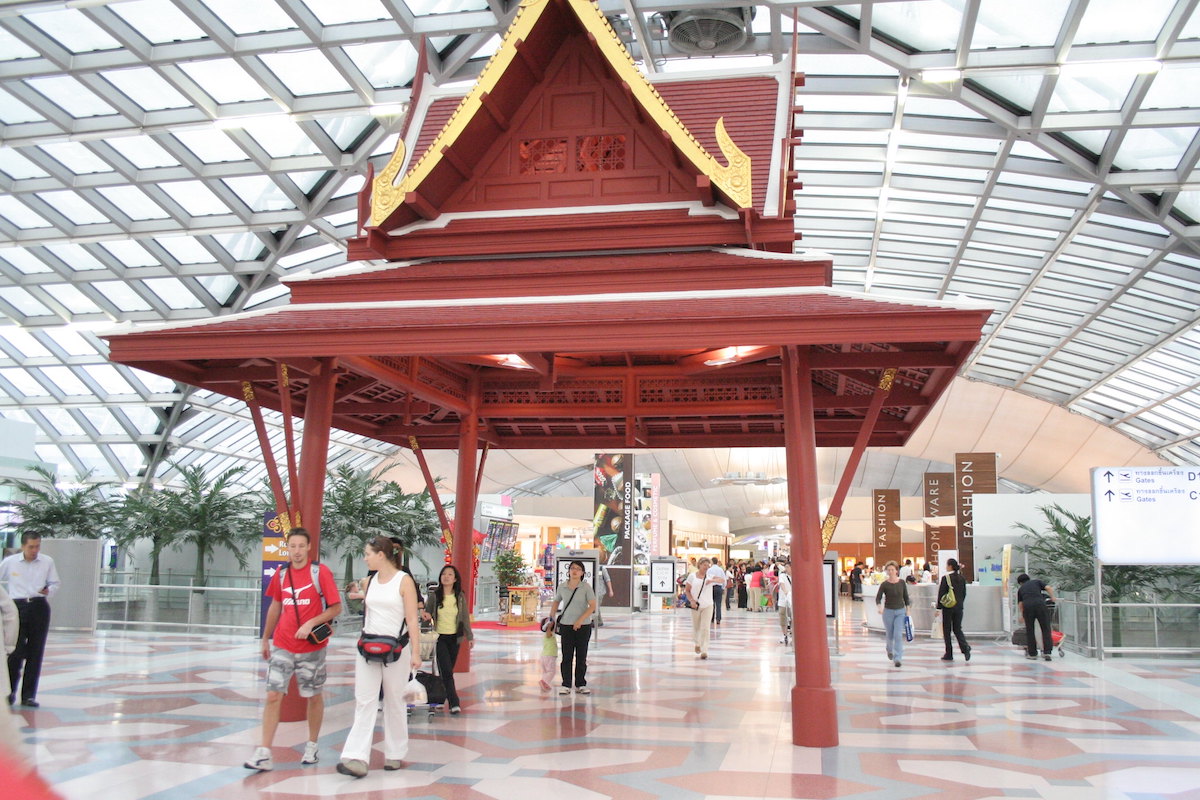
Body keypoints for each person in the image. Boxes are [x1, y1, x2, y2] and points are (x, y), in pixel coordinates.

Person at [245, 528, 341, 772]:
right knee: (273, 694)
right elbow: (275, 605)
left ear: (309, 548)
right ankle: (264, 751)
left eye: (301, 546)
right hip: (283, 644)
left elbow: (335, 608)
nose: (297, 551)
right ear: (287, 548)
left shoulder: (320, 573)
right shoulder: (281, 574)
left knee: (313, 695)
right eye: (292, 546)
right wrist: (265, 637)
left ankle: (312, 744)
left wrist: (311, 622)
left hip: (311, 646)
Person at [338, 536, 422, 777]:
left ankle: (395, 753)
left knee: (394, 701)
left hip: (396, 648)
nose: (365, 558)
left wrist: (416, 652)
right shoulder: (370, 580)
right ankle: (355, 756)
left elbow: (412, 619)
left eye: (368, 554)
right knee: (365, 700)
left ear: (381, 555)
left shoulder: (404, 581)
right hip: (368, 645)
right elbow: (362, 601)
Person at [0, 533, 60, 708]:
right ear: (23, 546)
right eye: (31, 547)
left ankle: (28, 695)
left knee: (35, 652)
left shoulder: (47, 562)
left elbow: (56, 583)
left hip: (38, 606)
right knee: (15, 653)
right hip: (17, 606)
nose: (34, 550)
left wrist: (49, 590)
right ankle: (9, 692)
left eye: (37, 546)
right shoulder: (10, 562)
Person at [423, 564, 473, 714]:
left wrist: (469, 636)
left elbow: (464, 617)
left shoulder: (459, 597)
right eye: (444, 574)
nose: (446, 577)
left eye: (450, 574)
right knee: (446, 671)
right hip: (440, 638)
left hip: (455, 638)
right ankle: (454, 703)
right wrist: (425, 616)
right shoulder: (435, 596)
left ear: (455, 579)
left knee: (448, 671)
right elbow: (427, 614)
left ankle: (440, 697)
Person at [549, 560, 597, 695]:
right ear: (568, 571)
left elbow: (592, 606)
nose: (574, 571)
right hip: (566, 625)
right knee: (567, 656)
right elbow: (556, 601)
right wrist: (551, 617)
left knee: (581, 656)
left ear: (582, 573)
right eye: (572, 568)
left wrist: (580, 620)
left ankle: (581, 683)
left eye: (578, 569)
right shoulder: (562, 587)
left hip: (584, 626)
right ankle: (566, 684)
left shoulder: (586, 587)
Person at [875, 561, 910, 668]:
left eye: (892, 570)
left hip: (900, 611)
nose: (890, 572)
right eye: (889, 570)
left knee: (898, 635)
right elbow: (878, 598)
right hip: (888, 612)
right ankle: (889, 649)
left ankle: (898, 658)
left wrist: (908, 610)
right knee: (890, 634)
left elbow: (906, 597)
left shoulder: (902, 583)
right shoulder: (884, 584)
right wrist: (880, 608)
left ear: (896, 571)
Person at [1016, 573, 1058, 662]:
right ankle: (1047, 652)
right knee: (1045, 628)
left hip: (1028, 607)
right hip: (1040, 605)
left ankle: (1032, 654)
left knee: (1030, 630)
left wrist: (1022, 615)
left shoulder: (1021, 589)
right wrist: (1052, 597)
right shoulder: (1037, 582)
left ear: (1020, 583)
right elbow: (1048, 588)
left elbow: (1020, 604)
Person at [936, 557, 970, 662]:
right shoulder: (962, 578)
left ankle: (949, 653)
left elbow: (941, 594)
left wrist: (938, 608)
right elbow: (964, 593)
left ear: (950, 566)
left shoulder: (946, 578)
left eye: (947, 565)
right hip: (959, 607)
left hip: (948, 608)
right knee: (957, 629)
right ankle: (965, 648)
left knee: (947, 630)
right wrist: (959, 603)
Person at [684, 557, 715, 659]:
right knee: (696, 626)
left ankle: (704, 649)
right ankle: (697, 643)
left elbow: (722, 580)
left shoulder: (710, 577)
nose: (706, 567)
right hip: (696, 605)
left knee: (705, 627)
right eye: (704, 565)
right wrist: (692, 601)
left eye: (708, 565)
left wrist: (713, 581)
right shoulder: (692, 577)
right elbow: (687, 590)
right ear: (699, 565)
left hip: (708, 605)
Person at [537, 618, 557, 691]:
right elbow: (549, 633)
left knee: (546, 672)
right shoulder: (549, 634)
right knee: (551, 671)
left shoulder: (548, 634)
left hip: (544, 655)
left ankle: (545, 684)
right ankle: (544, 681)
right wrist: (549, 626)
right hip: (550, 656)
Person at [776, 563, 793, 646]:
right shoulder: (782, 576)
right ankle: (784, 634)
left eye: (787, 567)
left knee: (792, 617)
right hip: (783, 600)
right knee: (782, 615)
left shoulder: (796, 575)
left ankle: (792, 634)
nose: (786, 568)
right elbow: (782, 585)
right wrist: (786, 592)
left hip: (792, 600)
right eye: (785, 567)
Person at [706, 558, 727, 625]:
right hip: (719, 587)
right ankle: (718, 619)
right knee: (718, 604)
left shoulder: (709, 570)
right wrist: (723, 587)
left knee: (711, 604)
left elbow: (707, 578)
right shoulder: (720, 569)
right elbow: (724, 579)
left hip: (711, 588)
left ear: (711, 562)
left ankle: (711, 618)